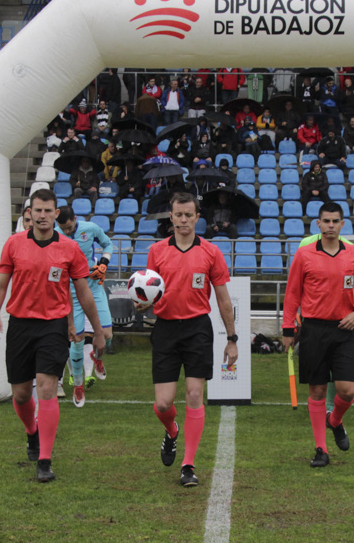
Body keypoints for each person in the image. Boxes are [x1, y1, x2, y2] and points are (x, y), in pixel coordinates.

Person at [0, 190, 105, 482]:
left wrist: (97, 331)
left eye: (48, 211)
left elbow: (84, 292)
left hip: (53, 326)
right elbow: (0, 286)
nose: (42, 216)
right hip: (21, 325)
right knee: (22, 394)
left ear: (55, 214)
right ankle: (31, 432)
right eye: (37, 210)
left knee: (47, 389)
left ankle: (45, 460)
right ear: (30, 213)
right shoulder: (13, 245)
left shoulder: (69, 248)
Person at [139, 192, 236, 487]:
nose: (183, 220)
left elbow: (222, 299)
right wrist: (142, 301)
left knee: (195, 394)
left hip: (197, 329)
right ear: (171, 217)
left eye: (188, 215)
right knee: (163, 403)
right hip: (166, 329)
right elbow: (149, 291)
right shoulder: (157, 251)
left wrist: (232, 338)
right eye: (178, 214)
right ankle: (171, 431)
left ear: (197, 217)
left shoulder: (211, 252)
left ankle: (188, 465)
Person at [281, 202, 354, 468]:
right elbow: (292, 293)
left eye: (335, 221)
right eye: (326, 221)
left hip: (344, 330)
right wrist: (289, 329)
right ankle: (321, 449)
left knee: (347, 390)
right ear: (318, 225)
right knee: (318, 390)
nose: (331, 225)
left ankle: (335, 420)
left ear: (343, 225)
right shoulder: (305, 254)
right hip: (313, 330)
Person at [54, 207, 114, 407]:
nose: (68, 232)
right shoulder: (55, 234)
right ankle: (78, 385)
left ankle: (96, 357)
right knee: (77, 339)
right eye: (64, 229)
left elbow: (108, 244)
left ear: (75, 219)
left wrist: (103, 263)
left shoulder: (91, 228)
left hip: (93, 286)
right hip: (70, 291)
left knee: (106, 335)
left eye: (70, 227)